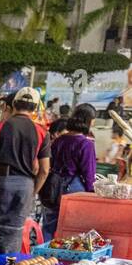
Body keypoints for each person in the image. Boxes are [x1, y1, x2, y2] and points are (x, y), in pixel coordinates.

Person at [0, 87, 51, 254]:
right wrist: (33, 192)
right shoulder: (42, 132)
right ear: (34, 108)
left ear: (14, 104)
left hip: (2, 181)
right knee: (14, 233)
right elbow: (45, 170)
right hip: (25, 185)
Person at [40, 103, 98, 240]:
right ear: (88, 121)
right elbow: (89, 174)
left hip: (52, 187)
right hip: (74, 189)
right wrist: (91, 192)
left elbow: (49, 163)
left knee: (48, 226)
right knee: (71, 230)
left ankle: (43, 258)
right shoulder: (86, 144)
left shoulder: (59, 140)